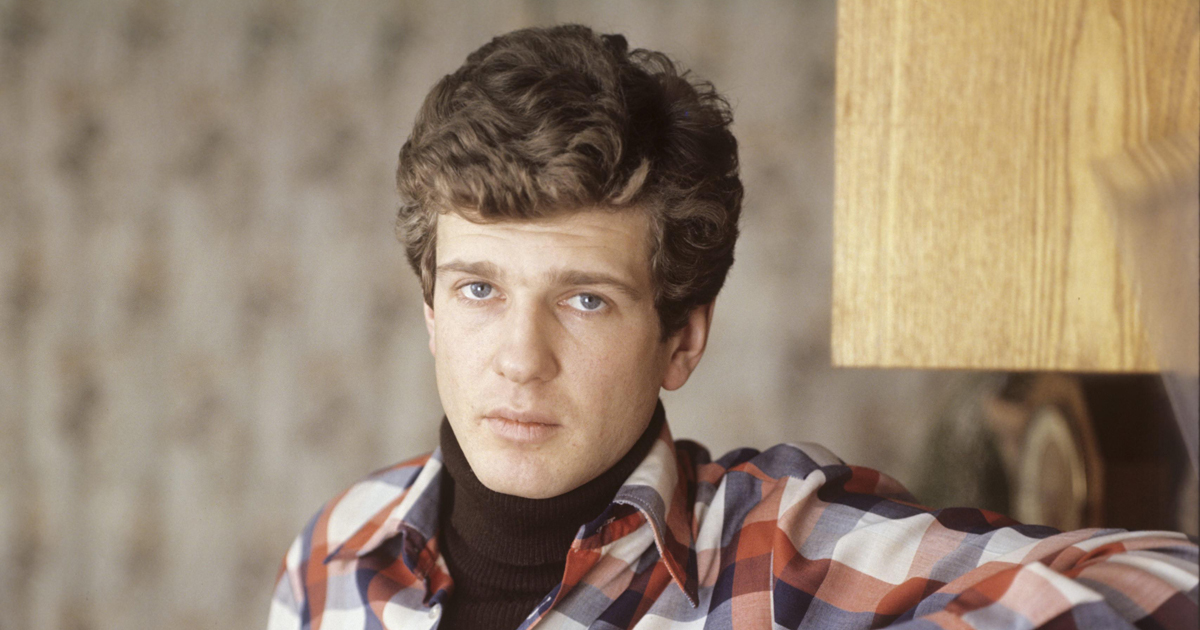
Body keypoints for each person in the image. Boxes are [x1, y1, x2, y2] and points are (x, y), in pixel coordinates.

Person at [267, 25, 1198, 630]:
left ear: (682, 340)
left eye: (586, 300)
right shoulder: (335, 553)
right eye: (479, 290)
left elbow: (1171, 585)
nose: (520, 359)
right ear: (431, 312)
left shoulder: (782, 551)